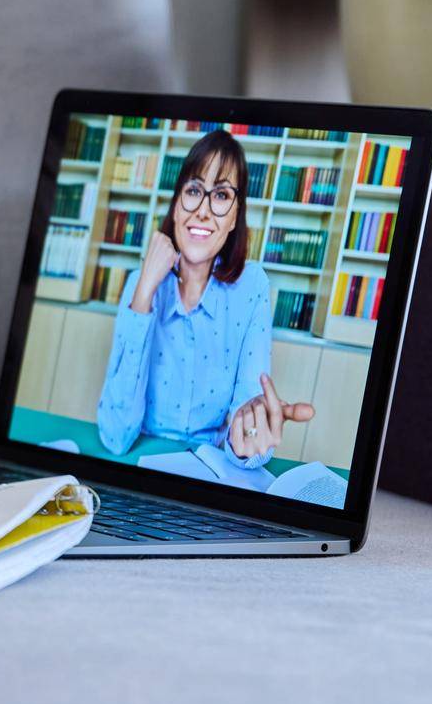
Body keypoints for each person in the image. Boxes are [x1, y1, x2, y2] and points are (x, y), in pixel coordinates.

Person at [96, 129, 314, 468]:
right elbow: (115, 436)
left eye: (222, 196)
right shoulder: (139, 284)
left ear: (234, 217)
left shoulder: (252, 286)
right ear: (176, 204)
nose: (203, 211)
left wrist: (248, 442)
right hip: (140, 467)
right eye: (194, 191)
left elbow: (249, 413)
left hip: (212, 470)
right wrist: (143, 293)